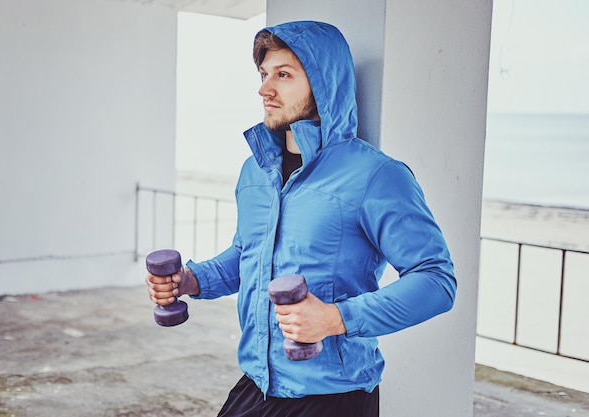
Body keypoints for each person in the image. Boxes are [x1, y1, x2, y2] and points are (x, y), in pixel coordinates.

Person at [146, 20, 457, 417]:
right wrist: (191, 280)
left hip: (333, 396)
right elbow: (246, 254)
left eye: (284, 75)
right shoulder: (254, 171)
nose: (265, 89)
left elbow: (436, 280)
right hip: (256, 384)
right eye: (263, 74)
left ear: (322, 84)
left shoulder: (376, 175)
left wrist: (335, 318)